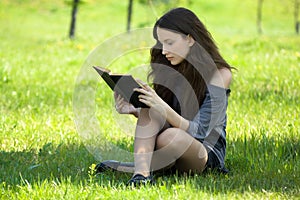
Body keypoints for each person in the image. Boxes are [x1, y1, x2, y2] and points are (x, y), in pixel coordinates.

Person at [97, 7, 234, 186]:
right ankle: (141, 175)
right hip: (169, 143)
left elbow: (200, 132)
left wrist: (162, 107)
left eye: (169, 43)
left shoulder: (220, 74)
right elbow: (162, 118)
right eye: (161, 43)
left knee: (170, 136)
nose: (163, 51)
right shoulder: (169, 67)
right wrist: (136, 110)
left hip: (204, 153)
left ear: (190, 39)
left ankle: (130, 167)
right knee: (150, 107)